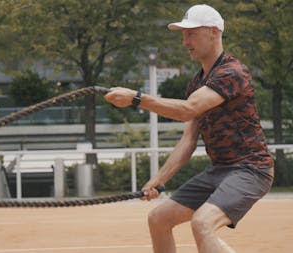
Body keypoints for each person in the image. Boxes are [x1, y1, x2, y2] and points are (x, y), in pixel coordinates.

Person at [104, 4, 274, 253]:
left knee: (202, 223)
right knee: (158, 219)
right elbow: (188, 141)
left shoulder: (232, 72)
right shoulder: (197, 83)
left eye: (191, 33)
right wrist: (157, 181)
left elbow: (188, 109)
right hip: (220, 170)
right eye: (183, 34)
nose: (185, 41)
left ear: (214, 32)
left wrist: (136, 97)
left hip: (251, 170)